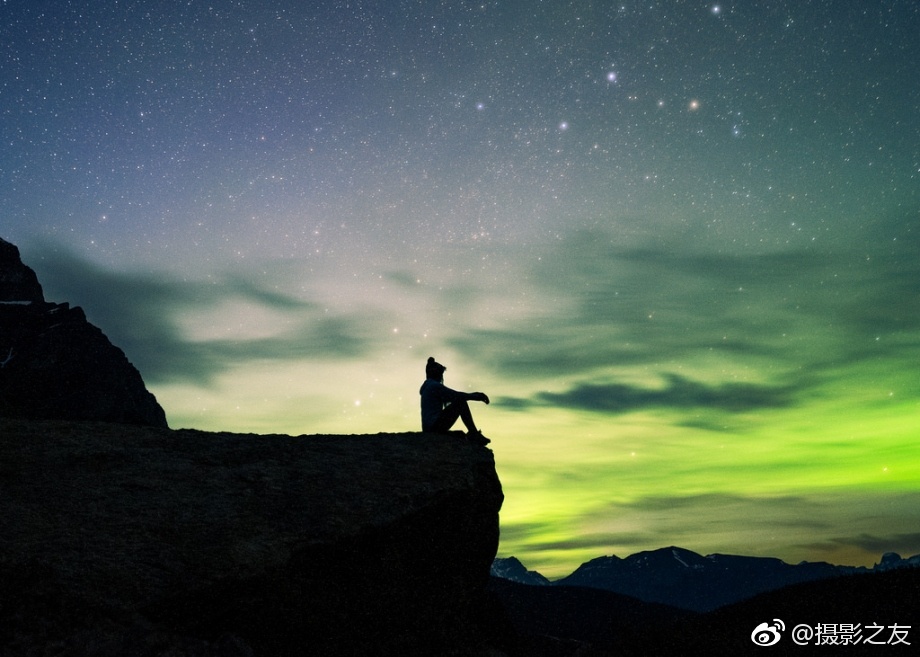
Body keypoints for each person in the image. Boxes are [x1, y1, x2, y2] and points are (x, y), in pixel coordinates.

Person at [419, 356, 490, 445]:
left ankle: (473, 433)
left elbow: (452, 396)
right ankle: (473, 433)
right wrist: (475, 396)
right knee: (461, 402)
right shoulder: (434, 386)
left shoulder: (428, 386)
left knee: (459, 433)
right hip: (434, 427)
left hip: (429, 427)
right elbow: (456, 395)